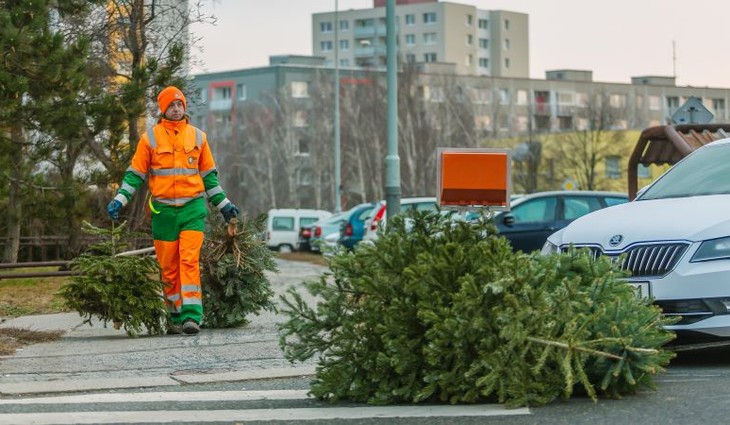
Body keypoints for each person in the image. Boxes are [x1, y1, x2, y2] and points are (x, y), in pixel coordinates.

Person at [106, 86, 239, 335]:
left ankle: (192, 317)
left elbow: (209, 178)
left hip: (192, 210)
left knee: (189, 260)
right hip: (163, 213)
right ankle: (175, 316)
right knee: (168, 267)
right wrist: (120, 200)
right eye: (171, 105)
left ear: (184, 107)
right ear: (163, 109)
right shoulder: (150, 139)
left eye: (180, 104)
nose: (176, 109)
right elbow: (135, 175)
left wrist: (225, 206)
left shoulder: (198, 137)